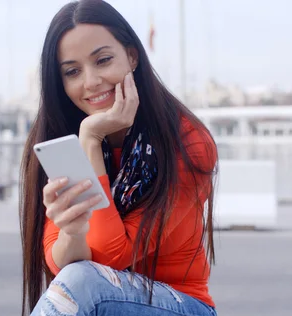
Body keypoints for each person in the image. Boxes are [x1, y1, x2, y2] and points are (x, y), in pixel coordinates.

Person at [19, 1, 218, 315]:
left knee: (85, 283)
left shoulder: (187, 141)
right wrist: (72, 230)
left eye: (103, 60)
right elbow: (63, 265)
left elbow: (111, 257)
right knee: (80, 279)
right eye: (72, 71)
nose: (91, 81)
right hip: (101, 302)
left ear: (132, 56)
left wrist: (91, 140)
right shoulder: (59, 138)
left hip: (182, 306)